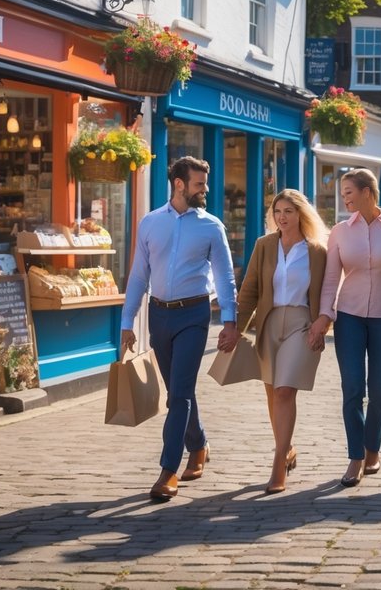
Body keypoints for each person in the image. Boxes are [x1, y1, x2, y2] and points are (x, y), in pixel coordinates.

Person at [120, 156, 238, 502]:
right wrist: (128, 322)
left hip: (194, 315)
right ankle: (198, 444)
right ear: (179, 184)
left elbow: (225, 277)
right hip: (159, 316)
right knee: (177, 391)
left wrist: (230, 321)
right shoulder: (150, 223)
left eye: (205, 183)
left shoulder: (212, 226)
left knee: (181, 394)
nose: (205, 190)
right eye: (199, 184)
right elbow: (139, 275)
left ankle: (168, 470)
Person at [313, 168, 381, 488]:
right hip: (348, 317)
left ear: (367, 192)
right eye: (342, 192)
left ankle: (372, 447)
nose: (344, 198)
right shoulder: (340, 232)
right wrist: (325, 315)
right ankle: (355, 456)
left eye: (349, 191)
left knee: (379, 391)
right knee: (352, 390)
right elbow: (331, 279)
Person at [234, 189, 328, 495]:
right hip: (269, 323)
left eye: (288, 211)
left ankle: (277, 464)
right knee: (274, 394)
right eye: (278, 211)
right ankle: (286, 448)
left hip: (302, 324)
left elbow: (328, 291)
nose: (282, 217)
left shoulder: (316, 251)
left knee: (286, 391)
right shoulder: (264, 246)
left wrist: (322, 323)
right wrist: (235, 327)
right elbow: (249, 290)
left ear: (301, 214)